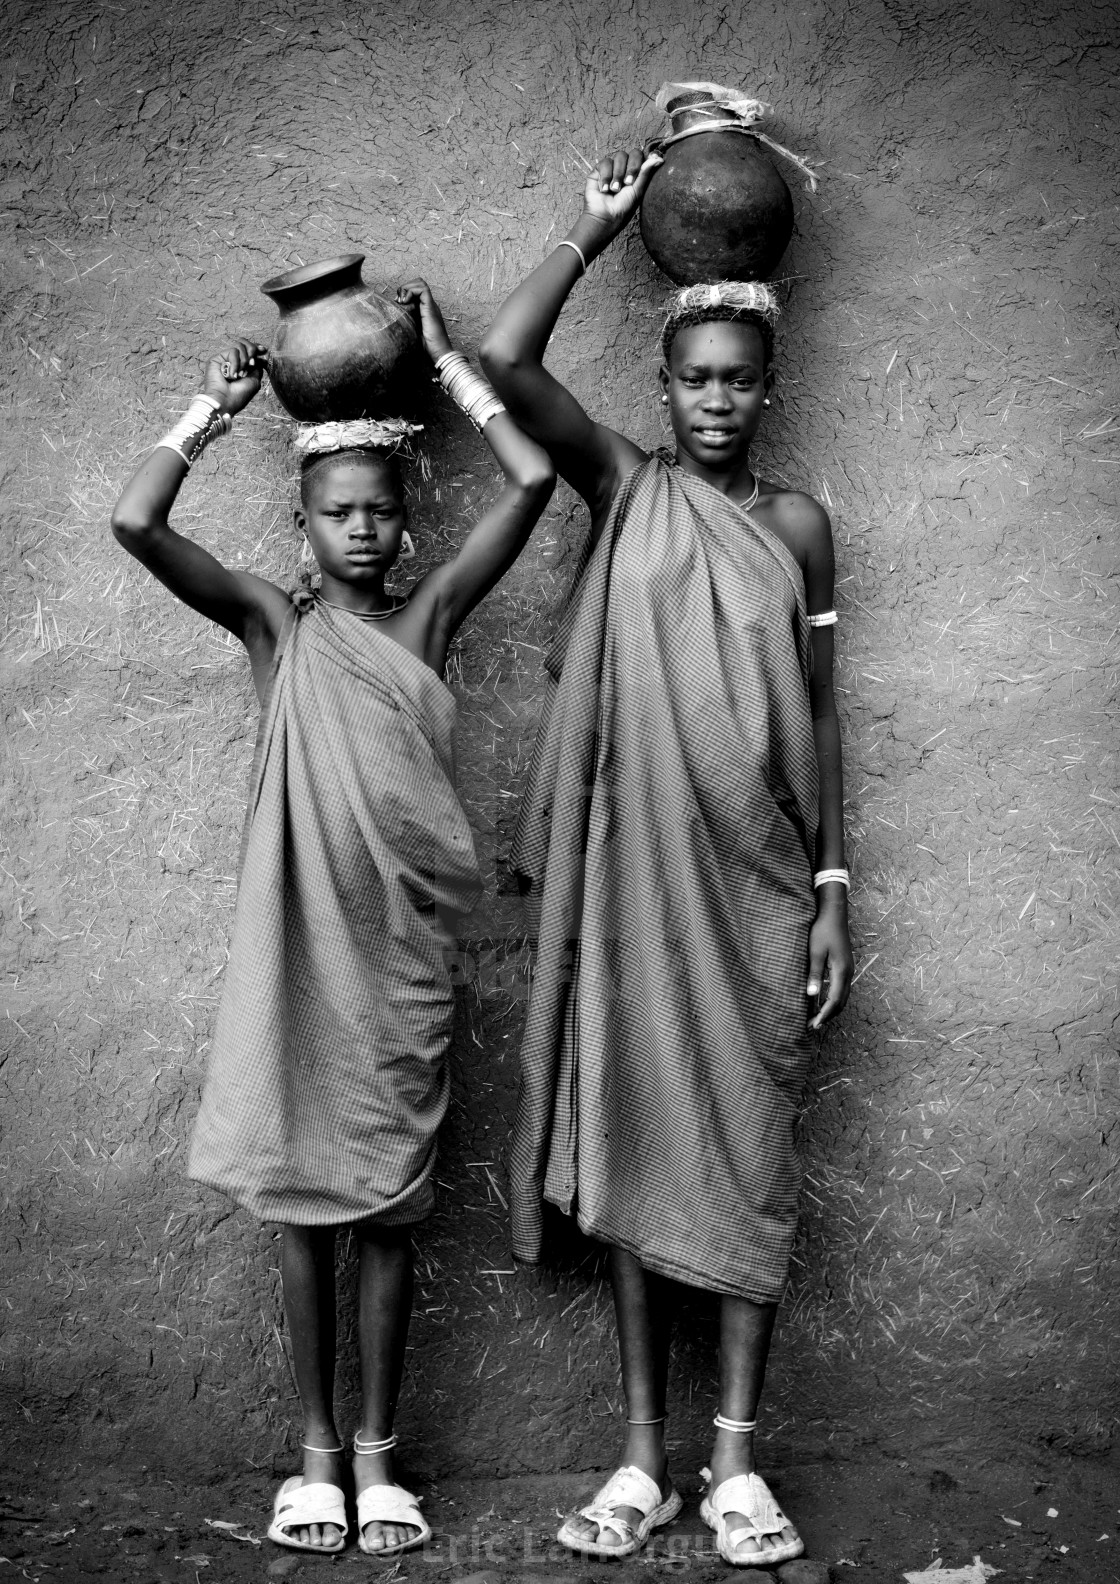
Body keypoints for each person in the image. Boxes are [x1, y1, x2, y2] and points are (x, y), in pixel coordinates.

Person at [111, 281, 553, 1557]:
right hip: (299, 960)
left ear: (407, 524)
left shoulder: (423, 622)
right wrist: (214, 408)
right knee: (306, 1211)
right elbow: (136, 521)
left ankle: (378, 1455)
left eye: (377, 513)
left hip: (402, 963)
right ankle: (312, 1458)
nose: (359, 533)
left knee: (392, 1212)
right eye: (334, 514)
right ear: (300, 526)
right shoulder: (274, 627)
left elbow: (525, 487)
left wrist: (443, 364)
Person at [480, 150, 854, 1568]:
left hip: (758, 883)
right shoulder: (626, 488)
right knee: (638, 1137)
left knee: (751, 1158)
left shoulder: (799, 529)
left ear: (767, 387)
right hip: (638, 881)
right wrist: (598, 222)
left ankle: (739, 1465)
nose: (714, 400)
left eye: (737, 380)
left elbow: (820, 716)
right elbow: (508, 357)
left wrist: (830, 889)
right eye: (693, 377)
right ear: (664, 385)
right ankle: (642, 1458)